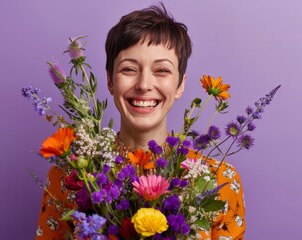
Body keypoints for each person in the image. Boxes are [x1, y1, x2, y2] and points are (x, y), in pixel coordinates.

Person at [36, 4, 245, 239]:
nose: (144, 84)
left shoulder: (219, 180)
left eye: (162, 71)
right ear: (110, 81)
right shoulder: (70, 178)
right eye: (129, 69)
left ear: (180, 85)